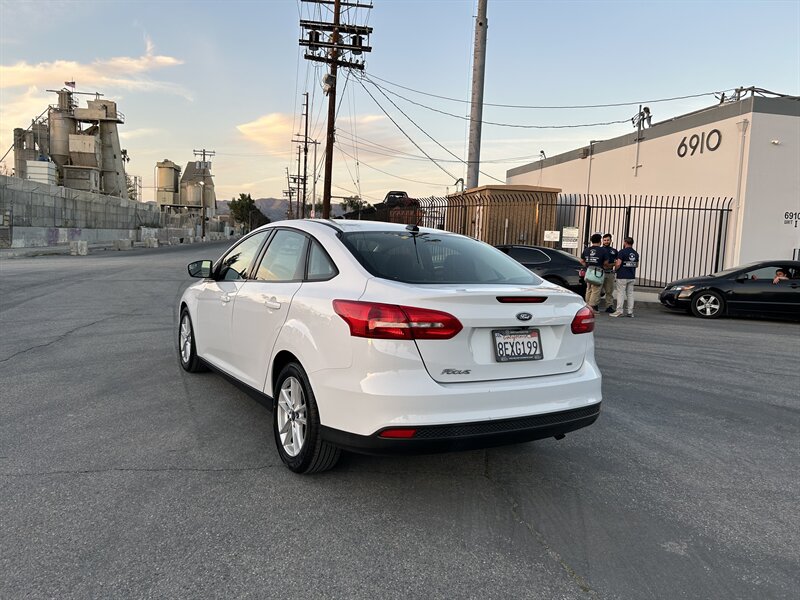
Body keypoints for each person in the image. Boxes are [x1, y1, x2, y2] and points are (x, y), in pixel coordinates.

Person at [610, 237, 639, 318]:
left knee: (621, 293)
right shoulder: (635, 253)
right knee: (630, 294)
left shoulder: (622, 252)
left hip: (622, 275)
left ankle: (619, 311)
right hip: (632, 276)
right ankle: (630, 312)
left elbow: (618, 263)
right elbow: (636, 265)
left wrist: (615, 269)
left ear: (625, 242)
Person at [580, 233, 608, 312]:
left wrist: (587, 266)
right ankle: (592, 307)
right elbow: (606, 263)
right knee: (596, 290)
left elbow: (582, 261)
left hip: (588, 271)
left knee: (588, 289)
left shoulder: (586, 250)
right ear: (600, 241)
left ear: (591, 241)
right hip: (598, 272)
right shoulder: (603, 250)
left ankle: (587, 305)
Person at [600, 233, 618, 313]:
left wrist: (613, 267)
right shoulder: (599, 250)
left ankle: (609, 306)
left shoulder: (614, 251)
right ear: (602, 241)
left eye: (608, 240)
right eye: (605, 240)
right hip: (600, 272)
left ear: (611, 240)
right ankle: (595, 305)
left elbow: (617, 262)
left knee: (609, 291)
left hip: (610, 273)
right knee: (598, 291)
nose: (606, 241)